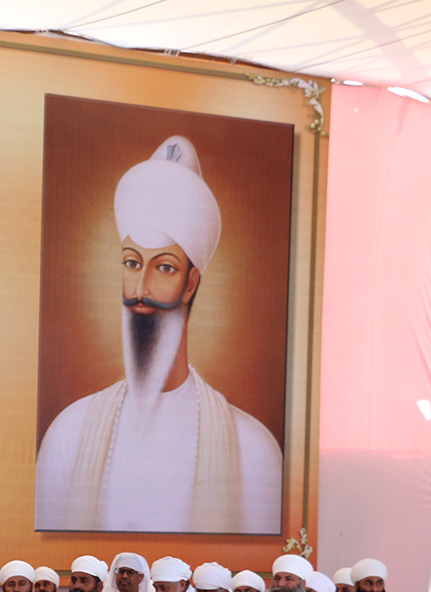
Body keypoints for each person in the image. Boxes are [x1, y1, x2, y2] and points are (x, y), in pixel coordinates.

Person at [35, 135, 282, 533]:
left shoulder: (254, 451)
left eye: (164, 267)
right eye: (132, 263)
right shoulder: (69, 433)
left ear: (190, 283)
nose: (140, 289)